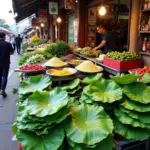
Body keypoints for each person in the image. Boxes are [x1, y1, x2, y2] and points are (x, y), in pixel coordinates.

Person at [0, 32, 14, 97]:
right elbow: (12, 53)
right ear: (4, 36)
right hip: (5, 62)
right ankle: (2, 89)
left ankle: (1, 89)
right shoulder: (8, 44)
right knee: (5, 76)